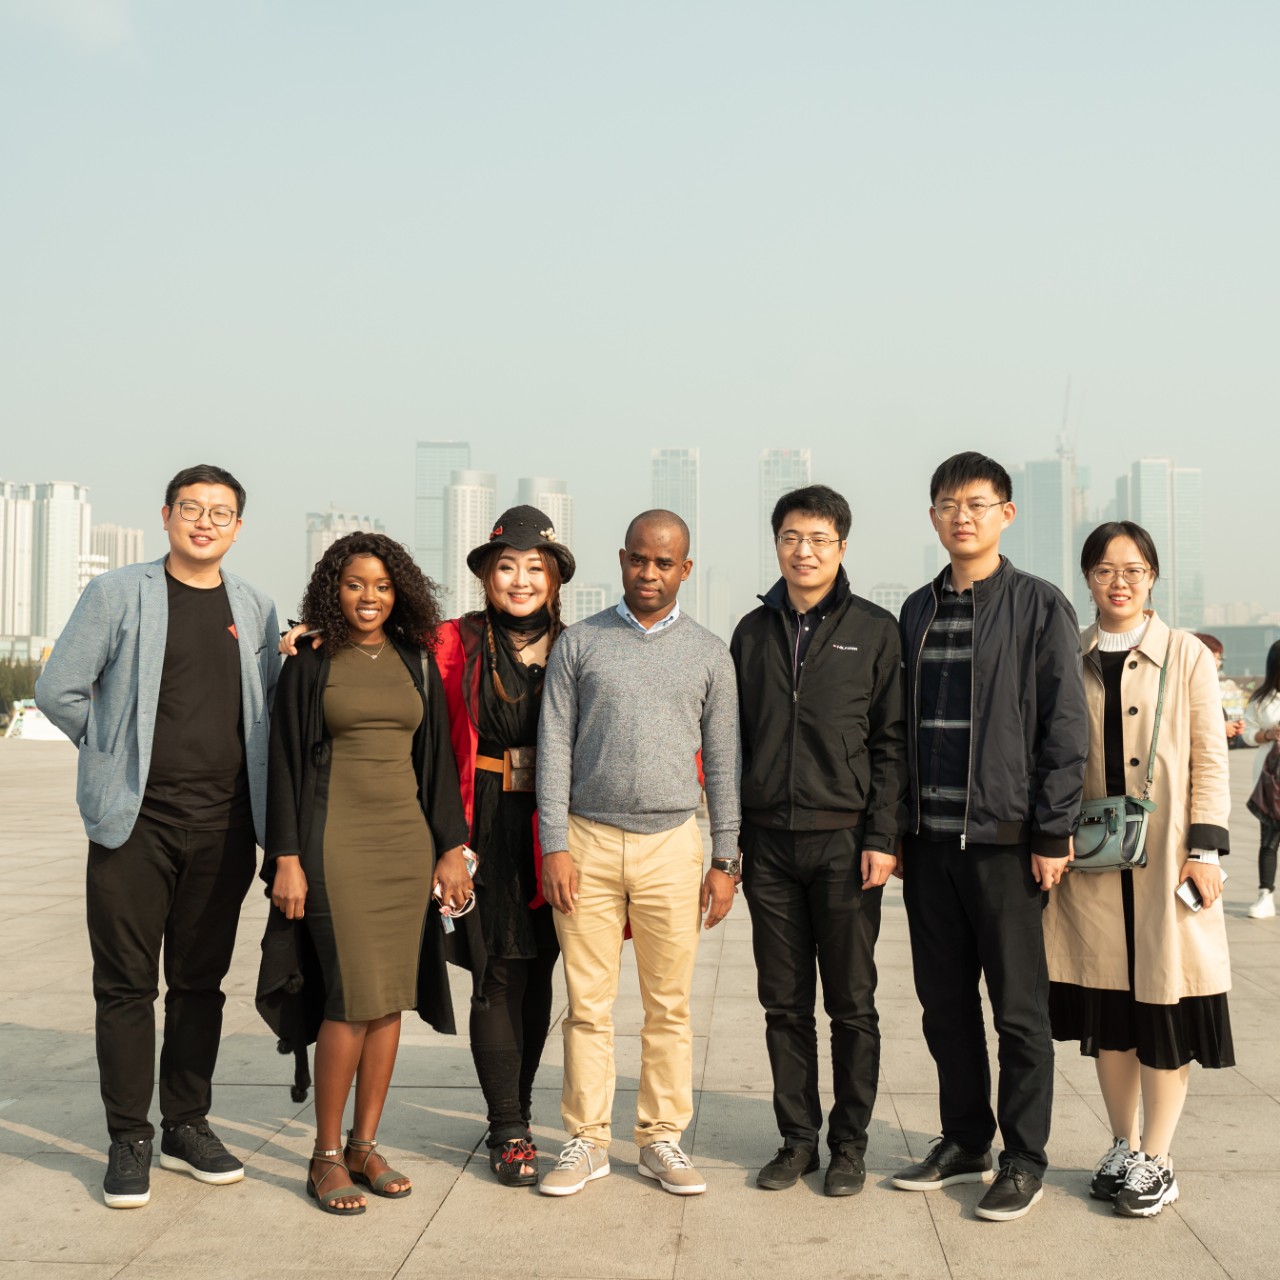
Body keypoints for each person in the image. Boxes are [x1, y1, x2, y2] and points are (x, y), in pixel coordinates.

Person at [35, 464, 279, 1209]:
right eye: (191, 508)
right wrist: (112, 751)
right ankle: (128, 1137)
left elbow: (268, 708)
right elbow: (58, 689)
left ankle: (186, 1124)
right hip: (134, 826)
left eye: (220, 512)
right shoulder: (117, 594)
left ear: (238, 527)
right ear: (166, 515)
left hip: (226, 825)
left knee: (200, 985)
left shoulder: (256, 607)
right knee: (127, 985)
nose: (205, 522)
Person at [892, 451, 1088, 1222]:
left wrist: (1052, 830)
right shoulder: (917, 609)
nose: (961, 516)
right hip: (929, 844)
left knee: (1018, 1012)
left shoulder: (1039, 605)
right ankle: (965, 1139)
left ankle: (1024, 1158)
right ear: (933, 517)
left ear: (1006, 514)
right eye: (948, 504)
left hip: (1007, 843)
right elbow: (896, 729)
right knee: (944, 1006)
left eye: (976, 503)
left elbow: (1064, 728)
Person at [263, 532, 471, 1215]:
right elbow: (283, 763)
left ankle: (363, 1146)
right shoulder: (311, 662)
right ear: (334, 589)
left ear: (399, 591)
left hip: (404, 847)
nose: (369, 597)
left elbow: (436, 762)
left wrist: (449, 848)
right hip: (334, 845)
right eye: (355, 584)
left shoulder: (415, 659)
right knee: (350, 998)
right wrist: (286, 858)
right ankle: (324, 1155)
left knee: (388, 1000)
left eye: (382, 585)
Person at [535, 510, 741, 1197]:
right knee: (587, 1004)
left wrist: (725, 859)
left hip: (673, 845)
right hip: (587, 841)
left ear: (685, 568)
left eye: (664, 563)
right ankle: (587, 1140)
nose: (649, 573)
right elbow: (554, 749)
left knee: (668, 1005)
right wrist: (555, 845)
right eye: (638, 560)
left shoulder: (709, 653)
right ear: (622, 559)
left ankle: (660, 1138)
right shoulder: (580, 643)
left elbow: (724, 762)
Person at [1045, 521, 1233, 1218]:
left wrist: (1205, 850)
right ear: (1087, 579)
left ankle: (1158, 1157)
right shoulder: (1070, 653)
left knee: (1165, 1004)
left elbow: (1210, 755)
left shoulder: (1186, 654)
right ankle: (1122, 1143)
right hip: (1094, 862)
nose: (1118, 583)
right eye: (1103, 570)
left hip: (1168, 860)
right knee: (1110, 1011)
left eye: (1132, 570)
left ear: (1152, 576)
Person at [730, 484, 907, 1197]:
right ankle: (797, 1140)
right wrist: (731, 842)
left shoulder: (876, 629)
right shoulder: (751, 632)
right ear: (776, 543)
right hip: (769, 846)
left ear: (841, 547)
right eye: (791, 538)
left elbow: (891, 742)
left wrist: (883, 835)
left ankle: (850, 1146)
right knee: (783, 1003)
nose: (804, 552)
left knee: (852, 1004)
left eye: (819, 540)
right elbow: (734, 743)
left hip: (845, 846)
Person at [434, 506, 576, 1185]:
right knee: (495, 972)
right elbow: (375, 642)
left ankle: (517, 1106)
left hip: (554, 826)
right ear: (487, 575)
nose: (521, 581)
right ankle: (508, 1126)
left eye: (535, 568)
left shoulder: (578, 646)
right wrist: (314, 634)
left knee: (540, 970)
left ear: (554, 579)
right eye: (507, 567)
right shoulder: (452, 640)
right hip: (481, 816)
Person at [1243, 640, 1280, 918]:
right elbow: (1247, 735)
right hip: (1270, 778)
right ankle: (1265, 895)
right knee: (1269, 836)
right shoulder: (1261, 699)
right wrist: (1269, 734)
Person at [1192, 633, 1248, 746]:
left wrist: (1231, 729)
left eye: (1219, 658)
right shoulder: (1187, 687)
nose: (1218, 663)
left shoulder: (1209, 686)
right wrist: (1221, 728)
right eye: (1214, 657)